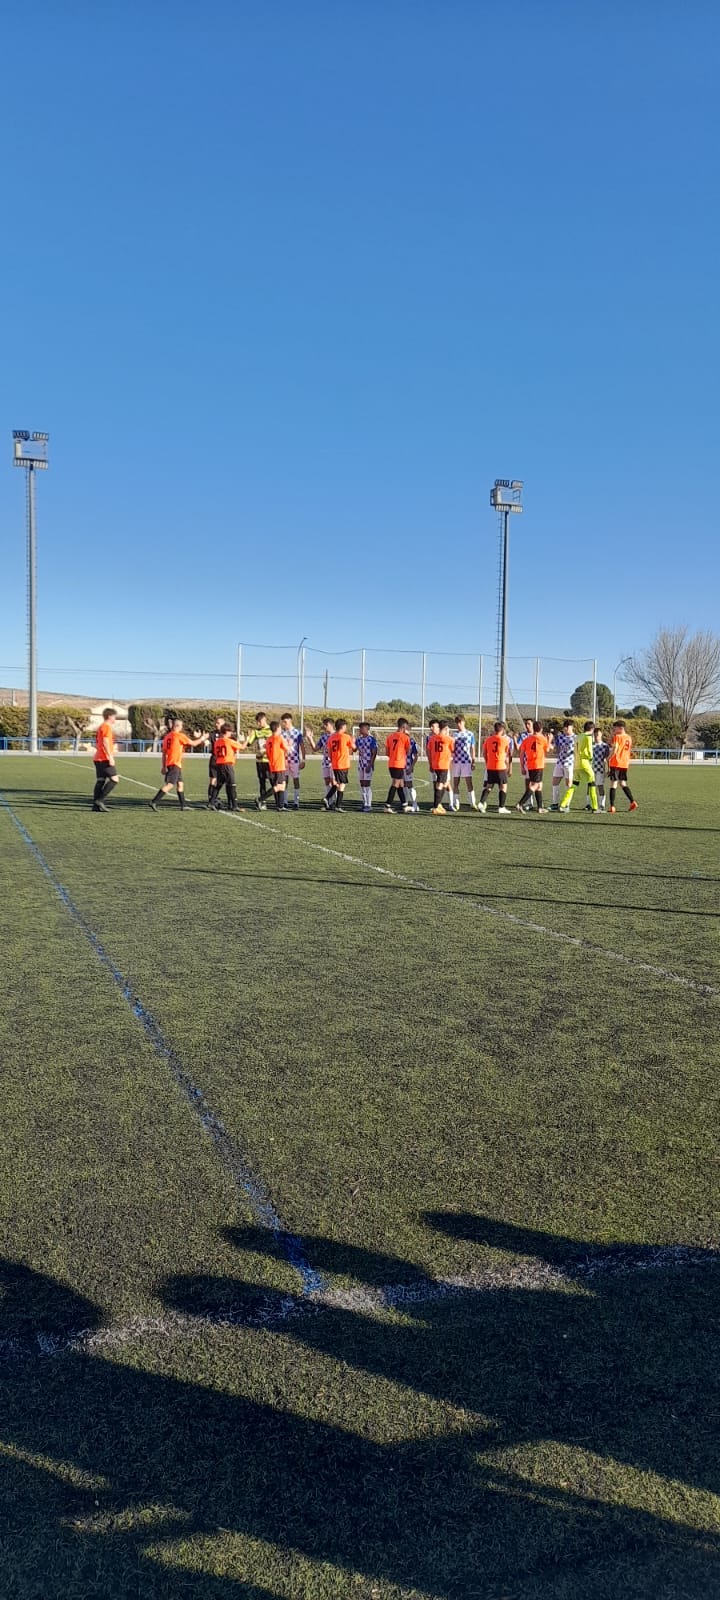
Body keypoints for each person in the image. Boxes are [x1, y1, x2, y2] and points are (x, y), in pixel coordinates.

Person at [149, 718, 205, 811]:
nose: (182, 728)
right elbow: (194, 743)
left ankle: (183, 805)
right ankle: (154, 801)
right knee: (170, 784)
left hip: (172, 763)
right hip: (175, 763)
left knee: (180, 784)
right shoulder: (179, 736)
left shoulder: (167, 736)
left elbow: (164, 753)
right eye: (181, 726)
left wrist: (163, 766)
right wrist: (202, 738)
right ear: (177, 726)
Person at [559, 720, 597, 813]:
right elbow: (590, 751)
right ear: (592, 729)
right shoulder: (588, 737)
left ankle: (563, 805)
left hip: (576, 764)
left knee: (574, 785)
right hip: (585, 763)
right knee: (592, 783)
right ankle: (595, 807)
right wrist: (591, 759)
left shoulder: (578, 737)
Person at [478, 720, 513, 814]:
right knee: (503, 786)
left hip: (490, 766)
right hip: (500, 766)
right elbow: (507, 755)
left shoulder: (488, 740)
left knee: (489, 785)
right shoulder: (505, 740)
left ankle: (481, 802)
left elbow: (484, 753)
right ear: (502, 730)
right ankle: (501, 807)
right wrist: (508, 766)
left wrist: (487, 762)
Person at [324, 718, 356, 812]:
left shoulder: (331, 738)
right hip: (343, 764)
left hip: (335, 764)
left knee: (337, 783)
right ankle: (337, 805)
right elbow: (354, 749)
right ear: (343, 727)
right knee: (342, 785)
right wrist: (353, 742)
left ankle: (328, 798)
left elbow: (329, 753)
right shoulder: (346, 737)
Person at [91, 708, 119, 812]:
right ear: (110, 716)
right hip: (104, 758)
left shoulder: (101, 727)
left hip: (98, 758)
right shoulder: (106, 727)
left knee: (100, 781)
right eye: (114, 716)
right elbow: (105, 742)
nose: (115, 718)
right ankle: (100, 800)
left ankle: (95, 806)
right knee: (115, 779)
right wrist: (110, 757)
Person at [211, 724, 243, 811]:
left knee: (219, 784)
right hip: (227, 764)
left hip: (219, 764)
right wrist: (247, 740)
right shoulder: (229, 741)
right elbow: (242, 747)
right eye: (230, 731)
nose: (231, 733)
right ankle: (235, 805)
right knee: (232, 784)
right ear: (227, 732)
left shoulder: (217, 742)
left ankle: (211, 802)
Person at [608, 721, 638, 813]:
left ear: (621, 728)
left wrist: (609, 757)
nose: (614, 730)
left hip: (616, 762)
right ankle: (632, 801)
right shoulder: (629, 737)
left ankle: (612, 806)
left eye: (615, 728)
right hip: (624, 763)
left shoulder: (617, 737)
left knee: (614, 784)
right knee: (623, 783)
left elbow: (615, 748)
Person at [384, 718, 413, 813]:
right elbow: (408, 751)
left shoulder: (390, 737)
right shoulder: (405, 737)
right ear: (404, 727)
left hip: (391, 763)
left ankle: (404, 805)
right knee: (395, 784)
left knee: (401, 784)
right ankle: (387, 806)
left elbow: (387, 753)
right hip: (399, 763)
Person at [427, 720, 454, 814]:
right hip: (443, 764)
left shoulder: (432, 738)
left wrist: (430, 763)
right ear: (446, 728)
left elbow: (429, 751)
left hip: (436, 764)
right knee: (440, 784)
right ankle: (435, 806)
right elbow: (453, 750)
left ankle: (438, 805)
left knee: (445, 783)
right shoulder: (449, 739)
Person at [246, 712, 273, 809]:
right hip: (259, 761)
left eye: (259, 722)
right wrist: (247, 737)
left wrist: (266, 750)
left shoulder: (271, 730)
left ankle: (279, 803)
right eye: (257, 722)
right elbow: (248, 743)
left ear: (264, 720)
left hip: (269, 761)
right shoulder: (256, 732)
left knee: (273, 782)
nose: (258, 724)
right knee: (262, 782)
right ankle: (263, 803)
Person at [450, 715, 477, 810]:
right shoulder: (454, 735)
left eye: (460, 722)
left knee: (469, 782)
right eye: (457, 723)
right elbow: (451, 748)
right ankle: (456, 803)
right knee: (456, 783)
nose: (458, 725)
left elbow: (473, 748)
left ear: (464, 722)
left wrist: (473, 761)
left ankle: (472, 802)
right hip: (456, 761)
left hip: (466, 761)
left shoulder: (470, 734)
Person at [522, 721, 550, 813]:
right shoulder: (542, 739)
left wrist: (522, 766)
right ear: (541, 729)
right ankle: (520, 803)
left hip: (530, 765)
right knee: (535, 785)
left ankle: (540, 807)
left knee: (539, 786)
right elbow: (548, 749)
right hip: (538, 764)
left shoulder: (527, 739)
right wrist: (549, 740)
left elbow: (522, 752)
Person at [280, 712, 305, 809]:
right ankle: (285, 801)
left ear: (290, 721)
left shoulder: (297, 732)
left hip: (295, 760)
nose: (284, 724)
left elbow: (302, 746)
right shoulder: (281, 733)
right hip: (284, 760)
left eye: (285, 722)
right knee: (284, 780)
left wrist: (303, 760)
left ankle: (296, 802)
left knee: (296, 780)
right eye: (283, 722)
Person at [550, 720, 576, 811]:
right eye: (564, 727)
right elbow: (556, 750)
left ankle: (566, 804)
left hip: (570, 763)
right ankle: (555, 803)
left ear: (572, 727)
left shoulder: (576, 738)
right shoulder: (560, 737)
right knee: (555, 781)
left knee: (568, 783)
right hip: (560, 762)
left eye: (567, 727)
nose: (565, 729)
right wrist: (552, 741)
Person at [265, 720, 290, 811]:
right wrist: (289, 744)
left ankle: (280, 805)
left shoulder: (269, 739)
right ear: (278, 728)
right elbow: (287, 749)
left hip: (272, 765)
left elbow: (267, 753)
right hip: (279, 765)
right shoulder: (279, 738)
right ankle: (261, 799)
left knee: (281, 784)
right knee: (281, 785)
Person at [355, 721, 378, 812]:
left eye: (362, 728)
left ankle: (369, 804)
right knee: (362, 784)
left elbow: (374, 752)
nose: (361, 730)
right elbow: (354, 749)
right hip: (360, 765)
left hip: (368, 765)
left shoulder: (371, 739)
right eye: (360, 728)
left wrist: (370, 764)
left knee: (367, 784)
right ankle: (364, 803)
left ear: (367, 729)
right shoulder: (358, 740)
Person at [514, 717, 535, 812]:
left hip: (535, 763)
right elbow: (518, 747)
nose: (527, 726)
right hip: (527, 763)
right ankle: (529, 803)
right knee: (528, 783)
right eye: (526, 724)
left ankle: (539, 803)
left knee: (536, 783)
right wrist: (515, 739)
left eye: (529, 724)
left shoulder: (537, 735)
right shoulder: (523, 735)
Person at [207, 715, 227, 808]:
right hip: (215, 759)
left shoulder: (226, 734)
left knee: (223, 780)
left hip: (224, 760)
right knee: (213, 780)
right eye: (216, 722)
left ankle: (214, 799)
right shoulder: (212, 734)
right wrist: (201, 738)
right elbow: (206, 738)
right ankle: (211, 799)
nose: (216, 724)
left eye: (218, 723)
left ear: (223, 724)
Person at [590, 726, 610, 811]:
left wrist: (608, 769)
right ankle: (589, 804)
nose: (596, 736)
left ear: (601, 734)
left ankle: (602, 804)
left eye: (597, 735)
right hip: (591, 769)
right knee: (591, 786)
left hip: (600, 769)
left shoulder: (605, 746)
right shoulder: (591, 745)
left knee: (600, 786)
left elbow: (607, 758)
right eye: (595, 735)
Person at [404, 729, 420, 813]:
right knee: (403, 785)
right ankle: (405, 804)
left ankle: (415, 804)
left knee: (409, 785)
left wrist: (411, 767)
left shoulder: (412, 742)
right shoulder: (400, 741)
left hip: (407, 767)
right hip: (400, 766)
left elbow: (416, 756)